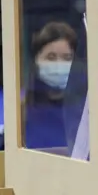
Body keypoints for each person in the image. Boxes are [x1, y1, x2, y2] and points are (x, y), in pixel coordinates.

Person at [22, 21, 77, 149]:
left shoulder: (87, 108)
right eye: (51, 57)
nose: (59, 65)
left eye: (67, 58)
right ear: (37, 59)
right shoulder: (22, 111)